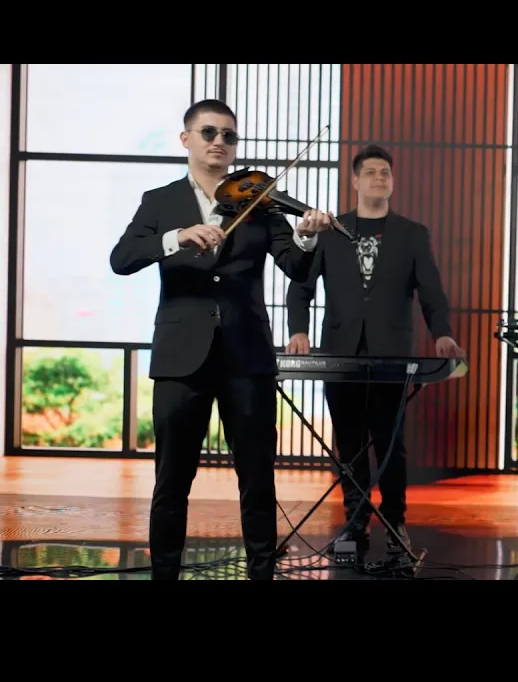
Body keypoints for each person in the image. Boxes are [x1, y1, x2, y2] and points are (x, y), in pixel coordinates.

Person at [109, 99, 334, 580]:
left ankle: (261, 572)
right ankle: (165, 573)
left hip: (246, 355)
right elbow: (121, 259)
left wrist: (308, 237)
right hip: (180, 357)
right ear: (186, 139)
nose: (219, 142)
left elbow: (296, 267)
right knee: (172, 481)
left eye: (229, 135)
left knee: (257, 479)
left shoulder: (261, 202)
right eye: (209, 132)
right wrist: (176, 237)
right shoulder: (159, 201)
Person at [285, 144, 464, 560]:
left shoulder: (412, 234)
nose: (379, 178)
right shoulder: (331, 230)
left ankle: (396, 520)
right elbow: (301, 286)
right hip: (341, 353)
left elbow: (432, 292)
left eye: (385, 172)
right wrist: (298, 330)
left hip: (392, 355)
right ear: (355, 180)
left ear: (392, 181)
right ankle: (355, 521)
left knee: (391, 445)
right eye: (370, 172)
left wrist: (442, 333)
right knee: (349, 444)